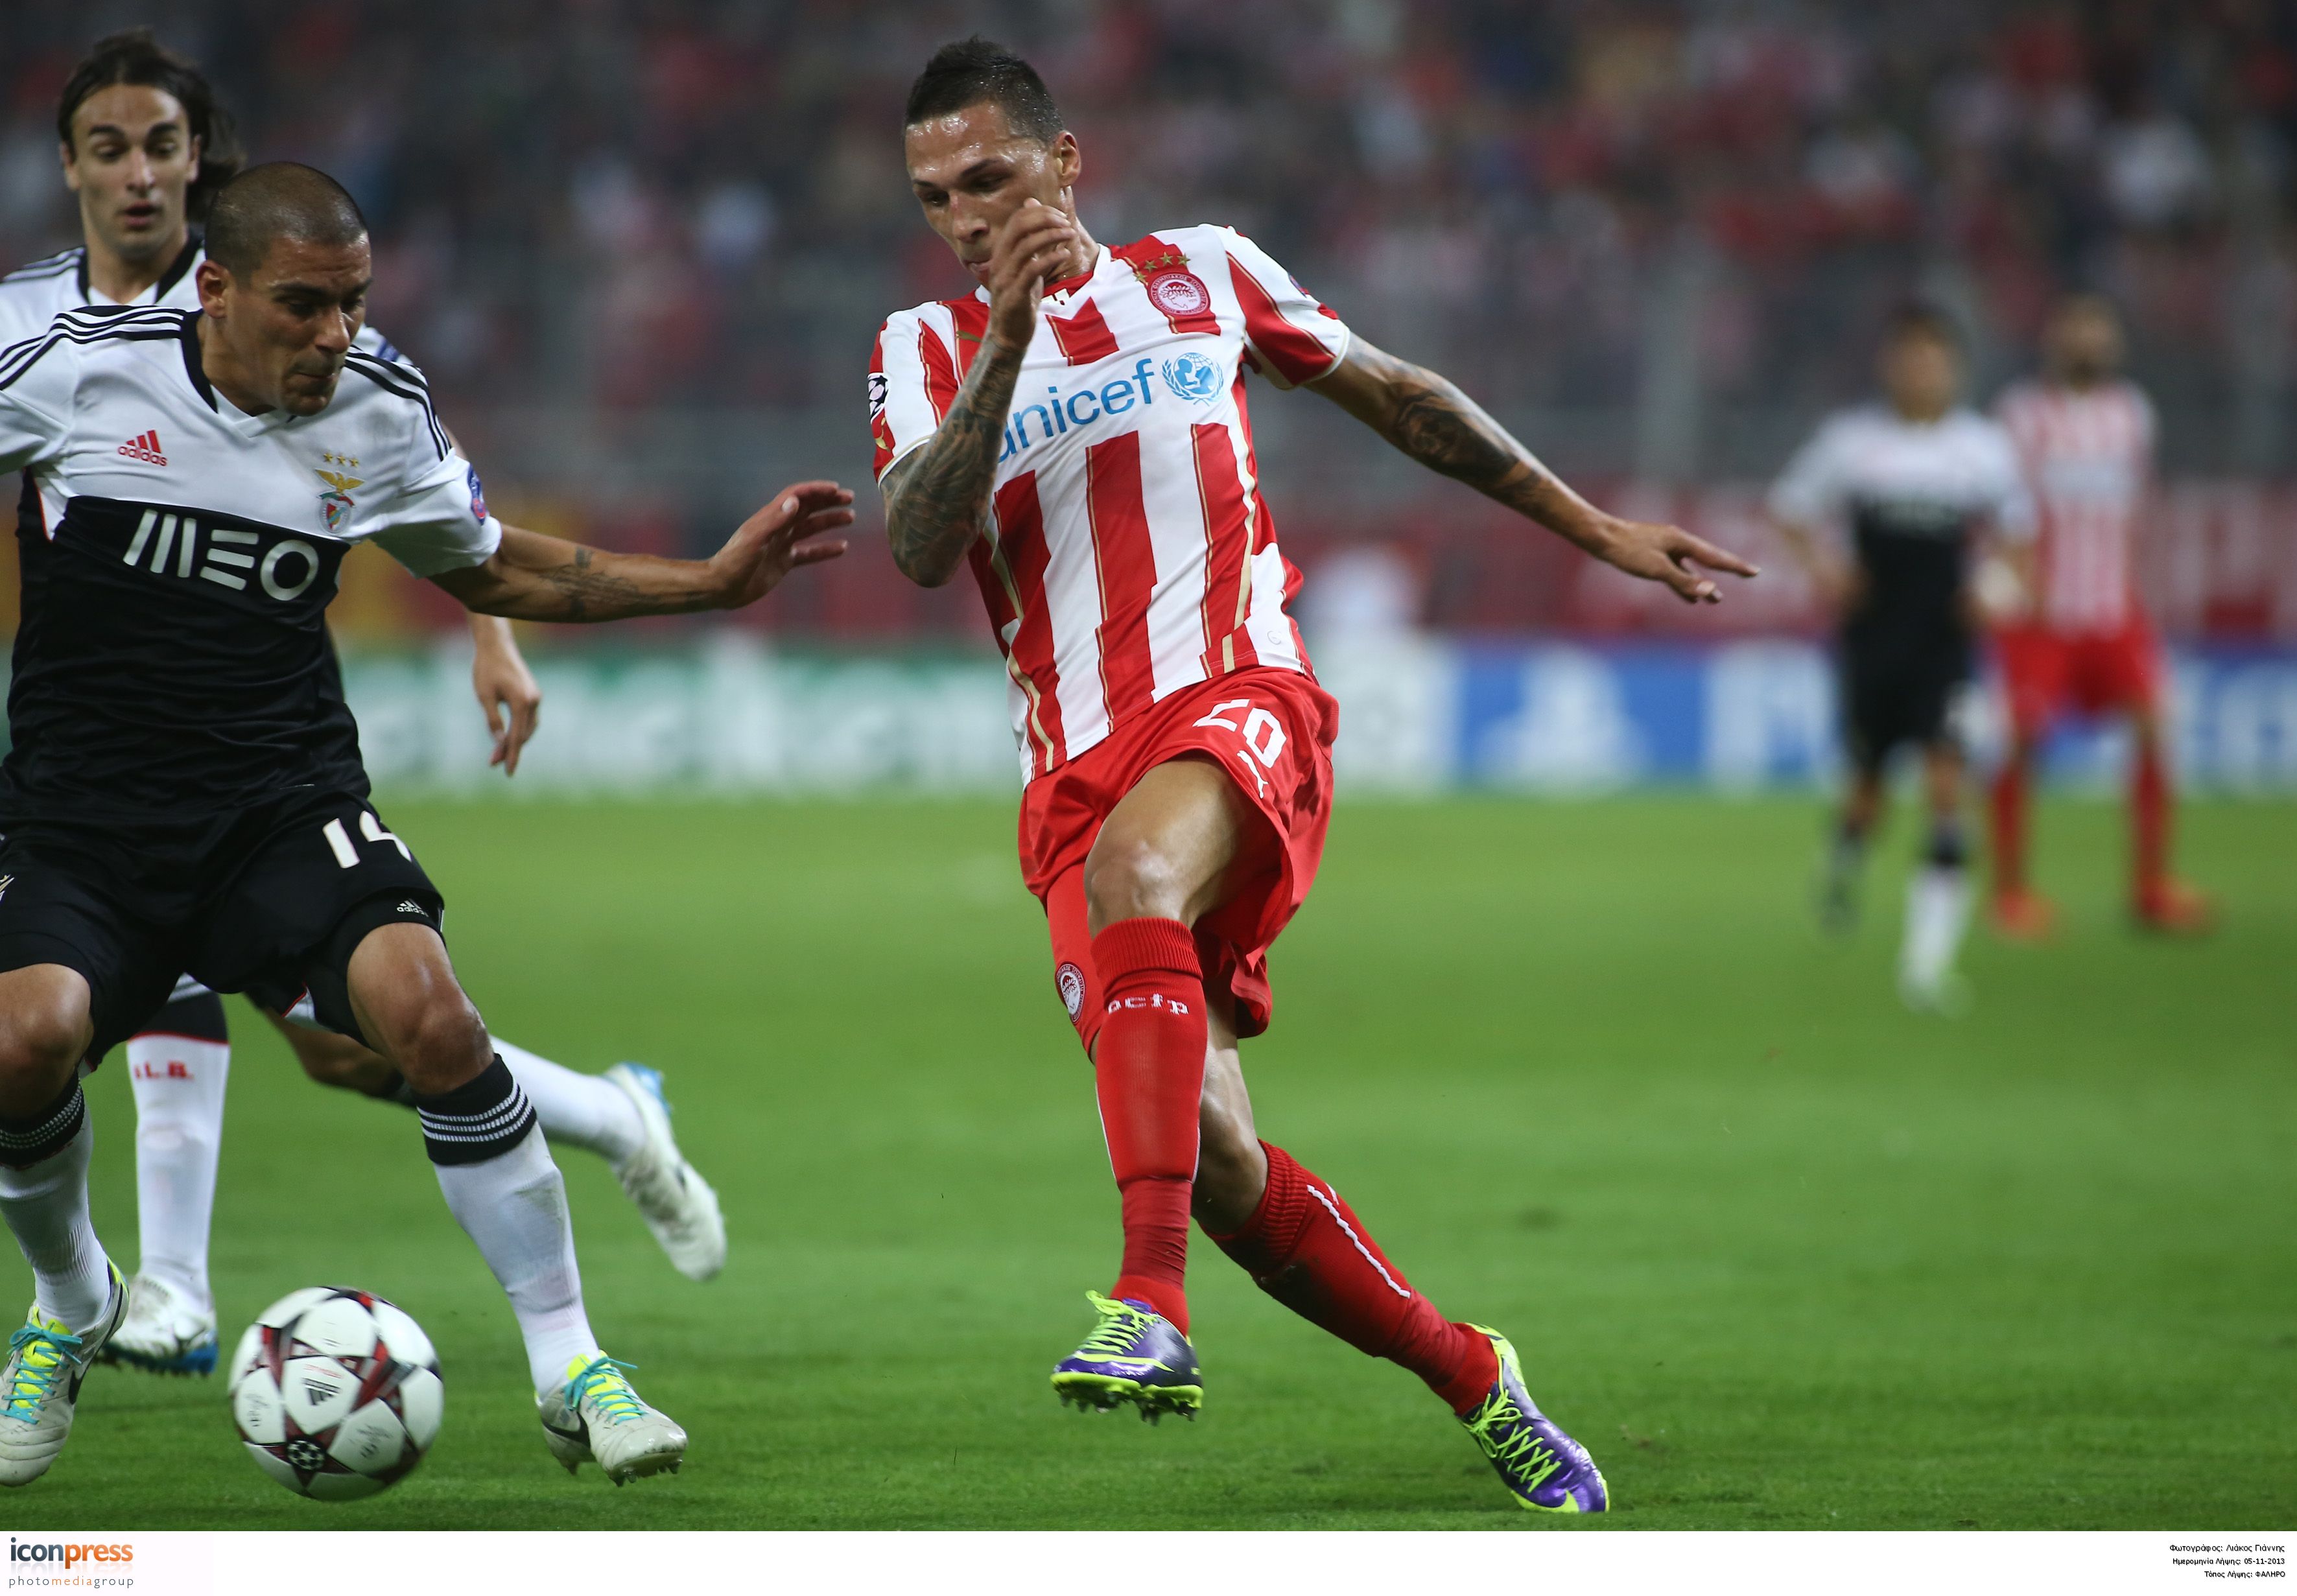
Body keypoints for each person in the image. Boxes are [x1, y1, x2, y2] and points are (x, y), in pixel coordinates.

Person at [873, 39, 1755, 1514]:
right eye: (935, 197)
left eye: (989, 178)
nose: (964, 216)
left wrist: (1594, 527)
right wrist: (1009, 343)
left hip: (1241, 701)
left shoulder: (1201, 272)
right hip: (1074, 775)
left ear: (1064, 161)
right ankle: (1475, 1375)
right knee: (1218, 1158)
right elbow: (915, 543)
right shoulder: (922, 346)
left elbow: (1400, 396)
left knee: (1140, 874)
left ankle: (1146, 1301)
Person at [0, 161, 853, 1487]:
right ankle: (70, 1304)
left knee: (435, 1022)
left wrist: (711, 582)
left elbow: (493, 562)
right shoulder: (76, 372)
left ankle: (574, 1367)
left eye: (352, 302)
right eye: (304, 306)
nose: (335, 334)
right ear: (216, 290)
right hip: (82, 818)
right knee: (22, 1041)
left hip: (278, 807)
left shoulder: (378, 410)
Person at [1770, 304, 2036, 1010]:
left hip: (1945, 647)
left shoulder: (1981, 448)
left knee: (1949, 790)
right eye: (1909, 358)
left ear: (1954, 369)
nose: (1920, 371)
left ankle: (1927, 965)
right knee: (1869, 792)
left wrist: (1997, 585)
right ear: (1888, 365)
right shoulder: (1851, 442)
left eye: (1933, 359)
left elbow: (2020, 533)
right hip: (1872, 644)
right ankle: (1844, 854)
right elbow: (1789, 508)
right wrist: (1826, 569)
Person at [1989, 295, 2211, 937]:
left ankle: (2151, 886)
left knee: (2153, 725)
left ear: (2114, 341)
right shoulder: (2021, 414)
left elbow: (2138, 510)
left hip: (2115, 608)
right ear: (2052, 340)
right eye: (2075, 330)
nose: (2087, 341)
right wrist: (2012, 582)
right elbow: (1999, 506)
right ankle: (2011, 892)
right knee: (2021, 740)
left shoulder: (2132, 414)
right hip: (2041, 614)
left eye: (2097, 331)